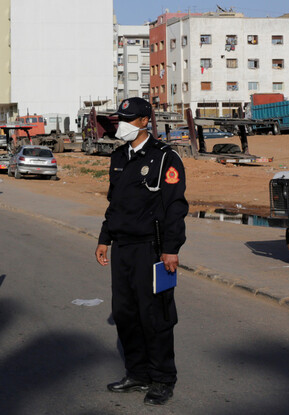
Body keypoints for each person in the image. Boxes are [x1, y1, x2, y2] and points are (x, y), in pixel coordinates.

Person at [95, 97, 188, 406]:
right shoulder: (119, 156)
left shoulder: (165, 158)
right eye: (119, 118)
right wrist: (104, 238)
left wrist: (171, 249)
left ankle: (162, 378)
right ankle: (137, 373)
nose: (120, 124)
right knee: (125, 314)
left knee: (156, 315)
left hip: (153, 250)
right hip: (122, 248)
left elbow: (175, 206)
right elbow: (114, 203)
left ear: (144, 121)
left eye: (128, 119)